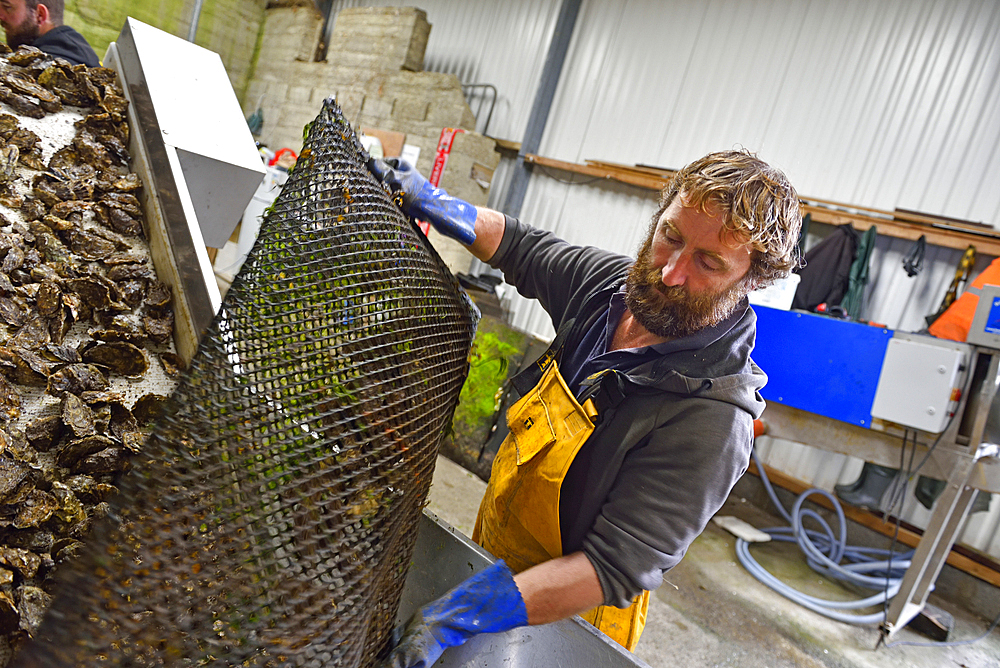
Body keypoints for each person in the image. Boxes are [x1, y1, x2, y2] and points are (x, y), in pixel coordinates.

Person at [368, 149, 802, 667]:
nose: (670, 273)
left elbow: (608, 568)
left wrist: (457, 615)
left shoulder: (712, 421)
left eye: (708, 263)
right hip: (490, 558)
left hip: (571, 621)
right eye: (671, 236)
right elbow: (521, 247)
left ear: (750, 280)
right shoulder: (606, 291)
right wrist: (444, 207)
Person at [0, 0, 99, 67]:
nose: (1, 15)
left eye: (7, 7)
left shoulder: (53, 67)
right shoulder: (76, 48)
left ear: (40, 15)